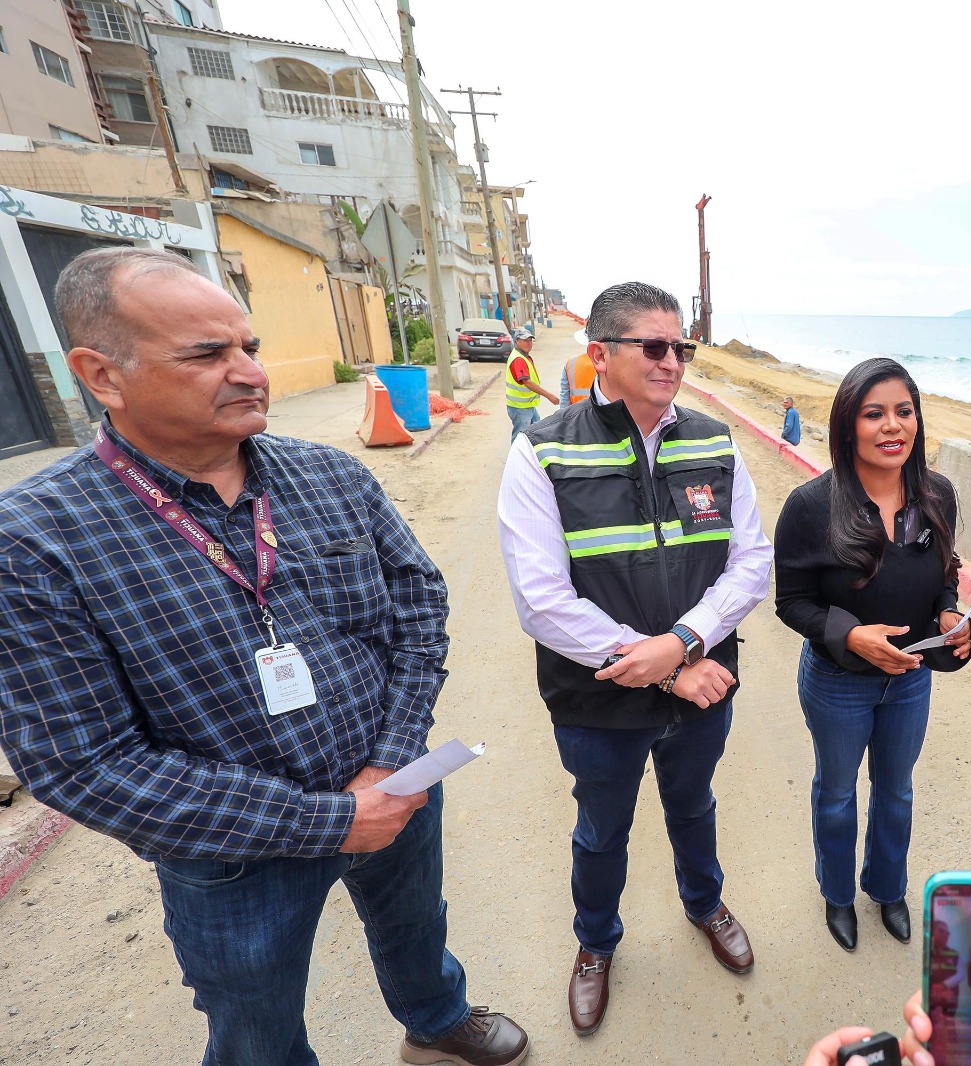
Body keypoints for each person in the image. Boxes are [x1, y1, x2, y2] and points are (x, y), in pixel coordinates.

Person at [0, 247, 526, 1066]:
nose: (250, 372)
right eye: (209, 355)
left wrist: (388, 766)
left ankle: (436, 1017)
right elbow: (81, 762)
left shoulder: (332, 477)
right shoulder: (34, 541)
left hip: (393, 786)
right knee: (253, 1017)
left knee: (417, 925)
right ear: (103, 375)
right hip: (233, 854)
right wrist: (329, 821)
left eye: (248, 346)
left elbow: (419, 611)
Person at [497, 281, 773, 1037]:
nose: (672, 361)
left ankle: (703, 903)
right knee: (601, 830)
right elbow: (541, 600)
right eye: (654, 346)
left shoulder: (714, 442)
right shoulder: (542, 451)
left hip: (703, 687)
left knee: (694, 806)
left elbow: (750, 563)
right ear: (599, 355)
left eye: (680, 347)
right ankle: (595, 945)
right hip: (599, 699)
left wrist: (684, 644)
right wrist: (660, 660)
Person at [774, 358, 971, 953]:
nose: (893, 426)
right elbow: (791, 601)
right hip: (839, 681)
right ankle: (837, 894)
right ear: (848, 424)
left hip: (911, 679)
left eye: (904, 412)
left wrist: (948, 613)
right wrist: (850, 635)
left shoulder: (937, 494)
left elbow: (945, 577)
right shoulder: (811, 505)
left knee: (897, 789)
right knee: (836, 793)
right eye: (874, 413)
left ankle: (887, 888)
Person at [505, 326, 558, 437]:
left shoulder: (522, 356)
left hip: (527, 405)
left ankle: (532, 452)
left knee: (536, 429)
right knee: (521, 436)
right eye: (525, 341)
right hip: (520, 407)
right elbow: (527, 382)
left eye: (530, 340)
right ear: (517, 341)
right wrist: (548, 395)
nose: (529, 343)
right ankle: (517, 454)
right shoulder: (518, 359)